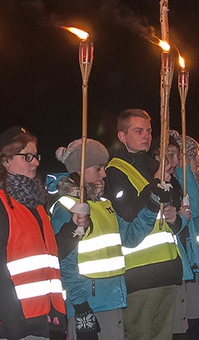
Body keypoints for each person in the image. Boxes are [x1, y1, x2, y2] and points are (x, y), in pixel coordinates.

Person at [0, 126, 77, 340]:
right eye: (27, 156)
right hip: (8, 325)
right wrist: (14, 324)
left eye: (36, 156)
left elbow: (47, 259)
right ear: (5, 160)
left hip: (41, 321)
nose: (36, 162)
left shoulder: (34, 203)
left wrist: (74, 227)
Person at [50, 138, 158, 340]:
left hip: (113, 300)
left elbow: (131, 237)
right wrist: (80, 304)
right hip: (88, 304)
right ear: (80, 170)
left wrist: (151, 207)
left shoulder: (104, 204)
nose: (104, 174)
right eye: (98, 168)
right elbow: (64, 259)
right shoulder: (66, 207)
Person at [104, 109, 183, 340]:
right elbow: (127, 214)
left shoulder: (154, 167)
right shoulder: (114, 171)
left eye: (148, 131)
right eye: (138, 131)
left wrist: (173, 215)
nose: (146, 136)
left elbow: (173, 214)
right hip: (140, 274)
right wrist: (153, 190)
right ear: (122, 136)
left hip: (167, 269)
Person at [168, 131, 199, 340]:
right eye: (195, 156)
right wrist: (184, 167)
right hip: (188, 263)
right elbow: (195, 206)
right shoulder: (181, 177)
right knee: (185, 328)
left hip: (198, 261)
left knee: (193, 324)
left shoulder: (198, 179)